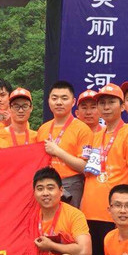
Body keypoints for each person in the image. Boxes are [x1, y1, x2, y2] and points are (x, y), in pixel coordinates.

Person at [79, 84, 128, 255]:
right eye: (102, 103)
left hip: (114, 213)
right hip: (89, 211)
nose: (106, 107)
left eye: (111, 102)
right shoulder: (95, 136)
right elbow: (89, 173)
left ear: (122, 107)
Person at [36, 81, 94, 209]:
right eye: (54, 98)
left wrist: (57, 151)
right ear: (48, 101)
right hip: (45, 186)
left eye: (64, 98)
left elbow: (84, 166)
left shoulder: (82, 129)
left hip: (71, 185)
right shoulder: (43, 129)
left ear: (73, 102)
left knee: (69, 220)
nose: (59, 102)